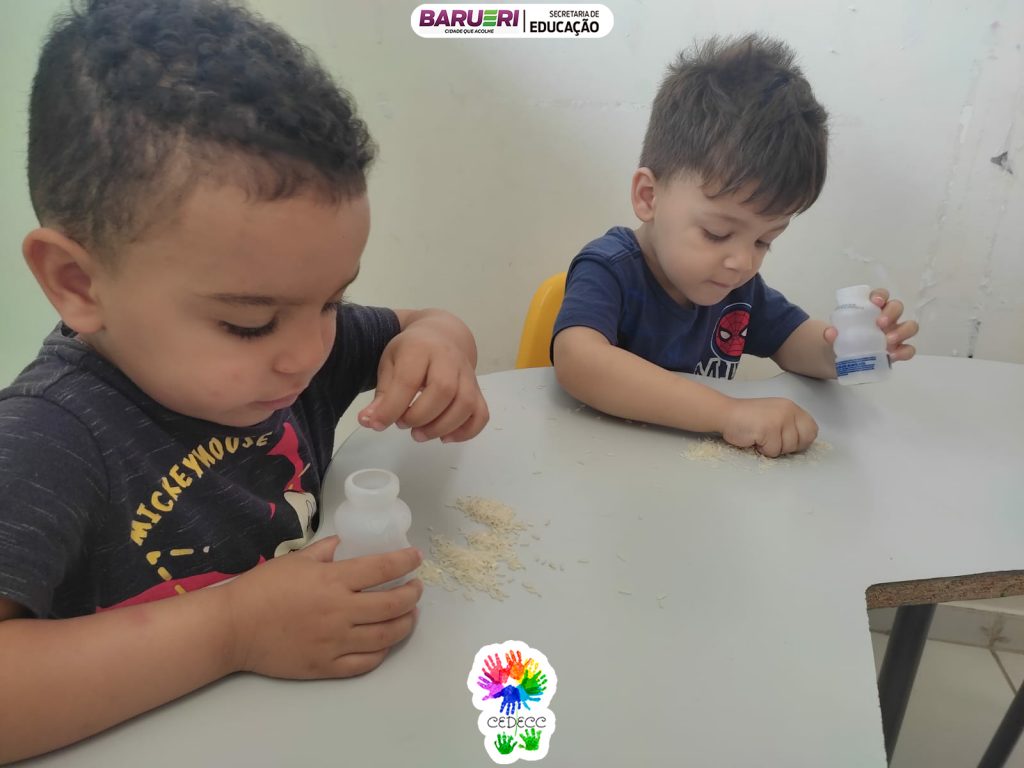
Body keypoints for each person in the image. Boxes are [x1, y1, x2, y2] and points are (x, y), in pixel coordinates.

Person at [0, 0, 488, 760]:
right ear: (78, 283)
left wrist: (439, 346)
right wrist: (232, 631)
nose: (307, 354)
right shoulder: (46, 439)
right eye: (249, 323)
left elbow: (428, 321)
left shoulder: (291, 348)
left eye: (333, 301)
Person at [552, 34, 918, 458]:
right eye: (716, 233)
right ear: (649, 197)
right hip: (597, 462)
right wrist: (728, 413)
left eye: (765, 240)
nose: (742, 262)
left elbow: (795, 343)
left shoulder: (737, 290)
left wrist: (853, 348)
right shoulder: (609, 269)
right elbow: (579, 361)